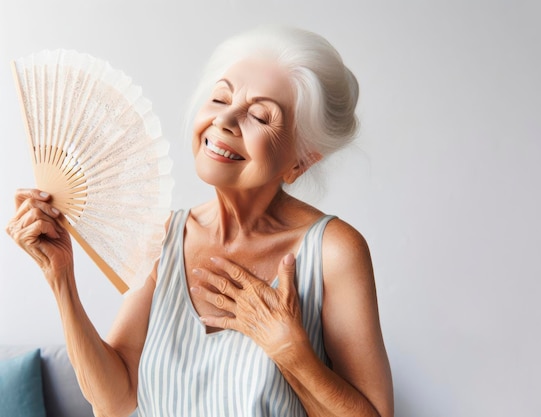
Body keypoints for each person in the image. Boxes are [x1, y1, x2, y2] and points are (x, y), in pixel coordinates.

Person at [7, 25, 394, 417]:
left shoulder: (334, 251)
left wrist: (290, 352)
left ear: (301, 160)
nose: (225, 119)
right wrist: (60, 278)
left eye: (260, 116)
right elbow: (114, 400)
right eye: (220, 97)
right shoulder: (165, 237)